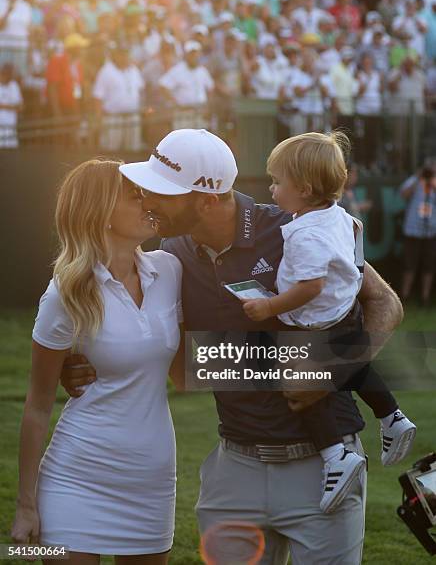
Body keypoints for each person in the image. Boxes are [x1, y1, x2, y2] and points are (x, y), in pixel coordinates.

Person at [61, 129, 404, 565]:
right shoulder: (173, 253)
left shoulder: (296, 225)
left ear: (206, 200)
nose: (148, 198)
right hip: (234, 469)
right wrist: (83, 364)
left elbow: (384, 301)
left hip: (324, 467)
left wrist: (334, 370)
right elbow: (181, 367)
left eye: (163, 192)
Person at [11, 159, 184, 564]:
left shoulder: (171, 268)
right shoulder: (66, 293)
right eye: (135, 196)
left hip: (152, 481)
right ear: (100, 212)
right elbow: (37, 406)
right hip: (75, 479)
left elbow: (187, 375)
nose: (149, 203)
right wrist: (25, 504)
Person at [241, 132, 416, 513]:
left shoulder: (306, 234)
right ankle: (392, 417)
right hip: (345, 313)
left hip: (314, 324)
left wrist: (269, 307)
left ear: (303, 189)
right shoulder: (342, 217)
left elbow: (309, 286)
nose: (271, 189)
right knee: (357, 369)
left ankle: (336, 455)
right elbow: (353, 260)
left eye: (276, 182)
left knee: (301, 389)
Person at [93, 43, 144, 152]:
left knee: (133, 150)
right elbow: (98, 96)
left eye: (126, 54)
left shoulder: (134, 69)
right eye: (121, 54)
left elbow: (140, 89)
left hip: (132, 115)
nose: (125, 56)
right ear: (115, 55)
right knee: (112, 151)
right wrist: (98, 119)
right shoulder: (106, 71)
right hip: (113, 117)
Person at [399, 159, 436, 305]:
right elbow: (404, 194)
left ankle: (425, 298)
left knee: (429, 265)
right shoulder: (414, 180)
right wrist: (419, 177)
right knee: (409, 265)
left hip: (430, 231)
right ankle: (404, 296)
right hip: (413, 230)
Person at [0, 62, 22, 149]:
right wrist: (12, 107)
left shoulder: (14, 85)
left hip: (11, 129)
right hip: (1, 128)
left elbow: (20, 106)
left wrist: (4, 106)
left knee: (11, 157)